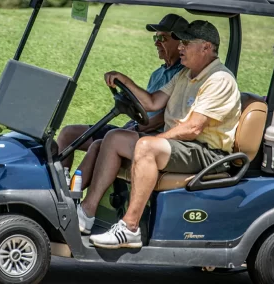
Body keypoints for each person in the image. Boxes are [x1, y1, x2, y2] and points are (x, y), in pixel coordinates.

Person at [77, 20, 242, 248]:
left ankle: (130, 228)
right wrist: (125, 80)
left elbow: (193, 128)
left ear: (205, 47)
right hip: (184, 146)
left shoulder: (219, 80)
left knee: (146, 146)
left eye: (185, 42)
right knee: (114, 138)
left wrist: (154, 140)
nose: (180, 47)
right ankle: (86, 213)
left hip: (207, 153)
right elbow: (153, 102)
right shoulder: (185, 74)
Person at [56, 14, 188, 171]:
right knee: (68, 133)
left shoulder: (183, 74)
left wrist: (136, 129)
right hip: (134, 128)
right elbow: (145, 105)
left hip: (151, 135)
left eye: (163, 38)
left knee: (102, 143)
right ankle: (62, 186)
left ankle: (76, 191)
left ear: (181, 42)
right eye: (155, 38)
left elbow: (165, 116)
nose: (157, 43)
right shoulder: (158, 74)